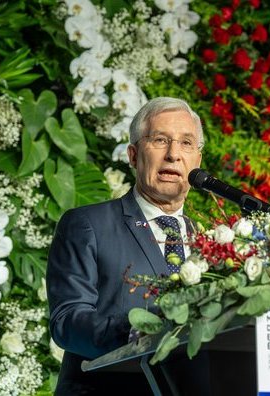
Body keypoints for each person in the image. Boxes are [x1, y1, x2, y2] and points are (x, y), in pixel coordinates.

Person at [46, 97, 203, 395]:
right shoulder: (87, 225)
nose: (173, 155)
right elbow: (66, 321)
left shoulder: (211, 243)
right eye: (160, 140)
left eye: (186, 143)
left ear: (197, 160)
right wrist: (136, 331)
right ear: (133, 155)